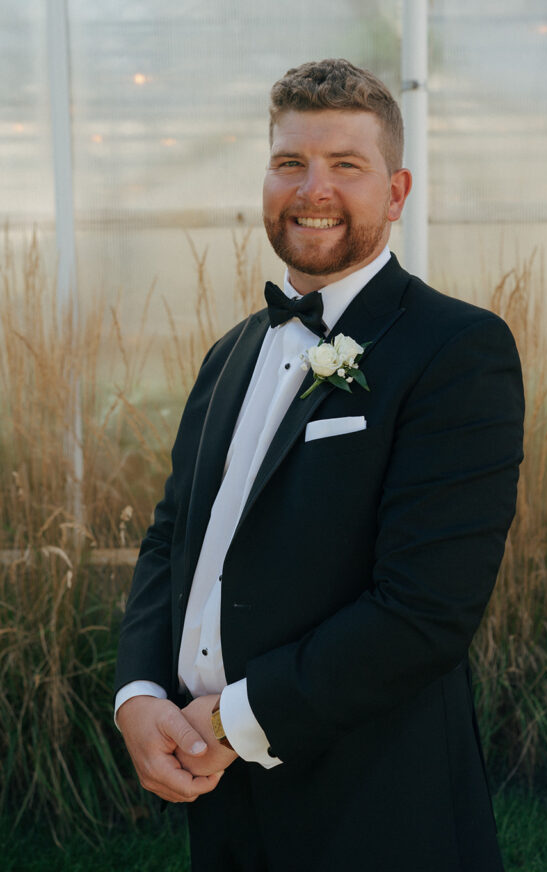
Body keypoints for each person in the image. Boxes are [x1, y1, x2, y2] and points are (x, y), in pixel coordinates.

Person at [115, 58, 524, 872]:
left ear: (396, 192)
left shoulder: (455, 350)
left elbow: (424, 611)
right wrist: (138, 696)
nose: (313, 189)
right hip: (219, 800)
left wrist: (229, 722)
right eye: (290, 163)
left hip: (372, 800)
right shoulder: (230, 353)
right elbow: (172, 540)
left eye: (346, 165)